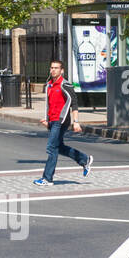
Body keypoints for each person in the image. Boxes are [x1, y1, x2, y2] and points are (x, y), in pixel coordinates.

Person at [35, 58, 93, 186]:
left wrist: (76, 121)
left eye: (56, 68)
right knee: (58, 147)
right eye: (51, 68)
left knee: (51, 148)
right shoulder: (49, 85)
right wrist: (47, 120)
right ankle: (84, 159)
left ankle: (47, 178)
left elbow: (74, 103)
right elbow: (49, 105)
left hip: (61, 121)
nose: (53, 70)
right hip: (53, 121)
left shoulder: (65, 84)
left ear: (62, 70)